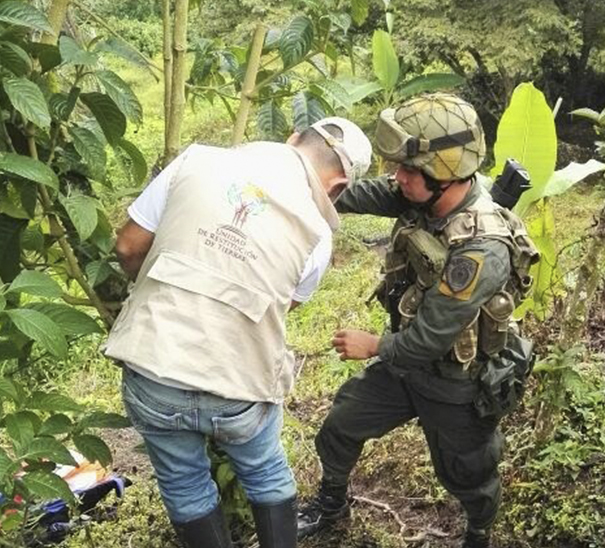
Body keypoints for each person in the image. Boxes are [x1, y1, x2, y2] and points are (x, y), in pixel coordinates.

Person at [104, 118, 372, 548]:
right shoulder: (319, 234)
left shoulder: (195, 160)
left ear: (292, 140)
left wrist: (159, 286)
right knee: (266, 472)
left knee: (184, 483)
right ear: (338, 186)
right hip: (238, 383)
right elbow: (284, 303)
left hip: (155, 366)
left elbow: (128, 246)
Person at [296, 93, 537, 548]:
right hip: (405, 368)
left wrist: (372, 346)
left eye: (407, 171)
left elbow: (429, 336)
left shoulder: (483, 247)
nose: (396, 178)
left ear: (445, 177)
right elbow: (354, 193)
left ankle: (479, 533)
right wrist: (306, 181)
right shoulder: (424, 193)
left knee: (468, 473)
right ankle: (331, 504)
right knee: (341, 425)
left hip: (455, 381)